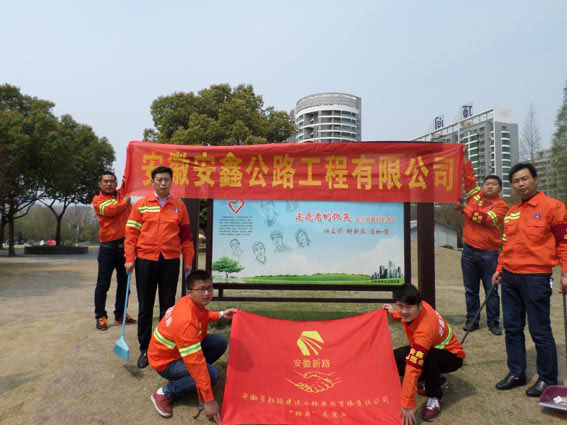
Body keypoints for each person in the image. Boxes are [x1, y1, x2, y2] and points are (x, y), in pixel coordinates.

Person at [492, 162, 567, 397]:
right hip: (510, 277)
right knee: (512, 327)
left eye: (524, 179)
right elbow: (506, 244)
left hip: (536, 278)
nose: (521, 184)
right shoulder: (512, 212)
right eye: (516, 181)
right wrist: (499, 268)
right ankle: (517, 372)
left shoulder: (553, 207)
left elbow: (564, 242)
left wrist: (565, 273)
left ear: (535, 179)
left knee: (540, 330)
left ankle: (547, 379)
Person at [125, 166, 195, 369]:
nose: (163, 183)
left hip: (170, 261)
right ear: (153, 182)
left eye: (166, 179)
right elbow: (131, 235)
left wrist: (188, 260)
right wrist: (129, 258)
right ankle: (145, 349)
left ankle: (165, 347)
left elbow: (186, 237)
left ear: (172, 182)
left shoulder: (179, 207)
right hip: (145, 260)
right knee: (145, 306)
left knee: (168, 306)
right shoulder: (141, 205)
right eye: (159, 179)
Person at [148, 270, 237, 423]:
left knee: (219, 342)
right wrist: (209, 401)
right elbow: (195, 362)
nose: (207, 293)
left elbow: (202, 315)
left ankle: (194, 378)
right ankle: (165, 393)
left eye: (209, 288)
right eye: (201, 289)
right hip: (166, 362)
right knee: (211, 375)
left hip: (178, 351)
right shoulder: (186, 323)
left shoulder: (189, 302)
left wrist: (221, 314)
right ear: (189, 292)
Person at [384, 284, 465, 425]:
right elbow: (406, 313)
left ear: (419, 306)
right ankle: (436, 379)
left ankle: (434, 396)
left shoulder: (425, 331)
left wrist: (407, 404)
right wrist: (394, 314)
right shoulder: (419, 305)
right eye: (400, 306)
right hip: (430, 348)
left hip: (452, 356)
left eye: (408, 307)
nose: (404, 311)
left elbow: (413, 367)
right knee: (391, 360)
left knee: (425, 358)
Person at [455, 147, 508, 335]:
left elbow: (484, 219)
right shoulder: (475, 195)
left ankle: (493, 322)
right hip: (468, 251)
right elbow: (469, 177)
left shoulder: (502, 206)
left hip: (489, 254)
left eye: (494, 184)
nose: (489, 186)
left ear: (499, 189)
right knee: (470, 290)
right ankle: (472, 321)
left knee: (491, 289)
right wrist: (465, 157)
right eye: (487, 183)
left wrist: (465, 208)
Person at [92, 172, 135, 331]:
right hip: (108, 248)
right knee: (103, 284)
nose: (109, 184)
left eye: (112, 181)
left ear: (116, 183)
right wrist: (125, 203)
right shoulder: (98, 200)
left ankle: (120, 314)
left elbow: (129, 181)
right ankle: (100, 316)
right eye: (106, 181)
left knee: (125, 284)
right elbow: (111, 211)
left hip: (126, 247)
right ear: (100, 184)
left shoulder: (122, 194)